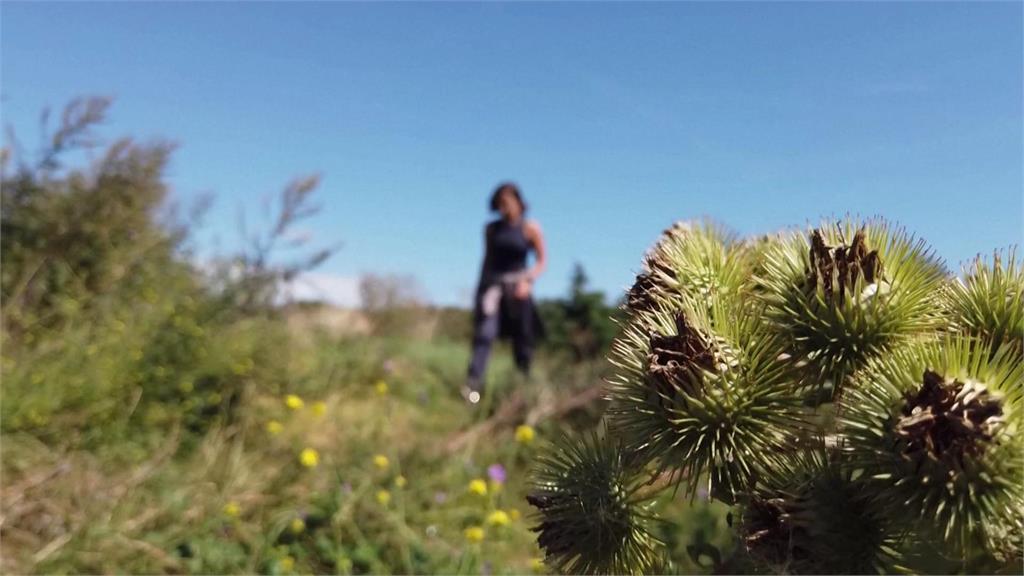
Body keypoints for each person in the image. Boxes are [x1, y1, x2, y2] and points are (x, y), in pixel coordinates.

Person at [463, 182, 547, 404]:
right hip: (494, 288)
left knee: (523, 339)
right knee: (485, 334)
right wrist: (481, 293)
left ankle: (523, 388)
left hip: (519, 288)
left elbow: (541, 261)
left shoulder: (530, 228)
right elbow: (487, 261)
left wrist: (528, 281)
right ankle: (473, 386)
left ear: (519, 202)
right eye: (499, 204)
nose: (504, 208)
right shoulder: (491, 229)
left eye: (507, 202)